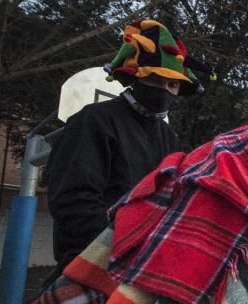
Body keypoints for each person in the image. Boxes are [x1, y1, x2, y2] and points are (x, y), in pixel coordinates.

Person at [45, 19, 213, 273]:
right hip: (88, 263)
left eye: (173, 84)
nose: (165, 91)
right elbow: (73, 200)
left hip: (143, 266)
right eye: (156, 80)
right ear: (137, 78)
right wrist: (122, 247)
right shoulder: (94, 120)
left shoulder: (169, 137)